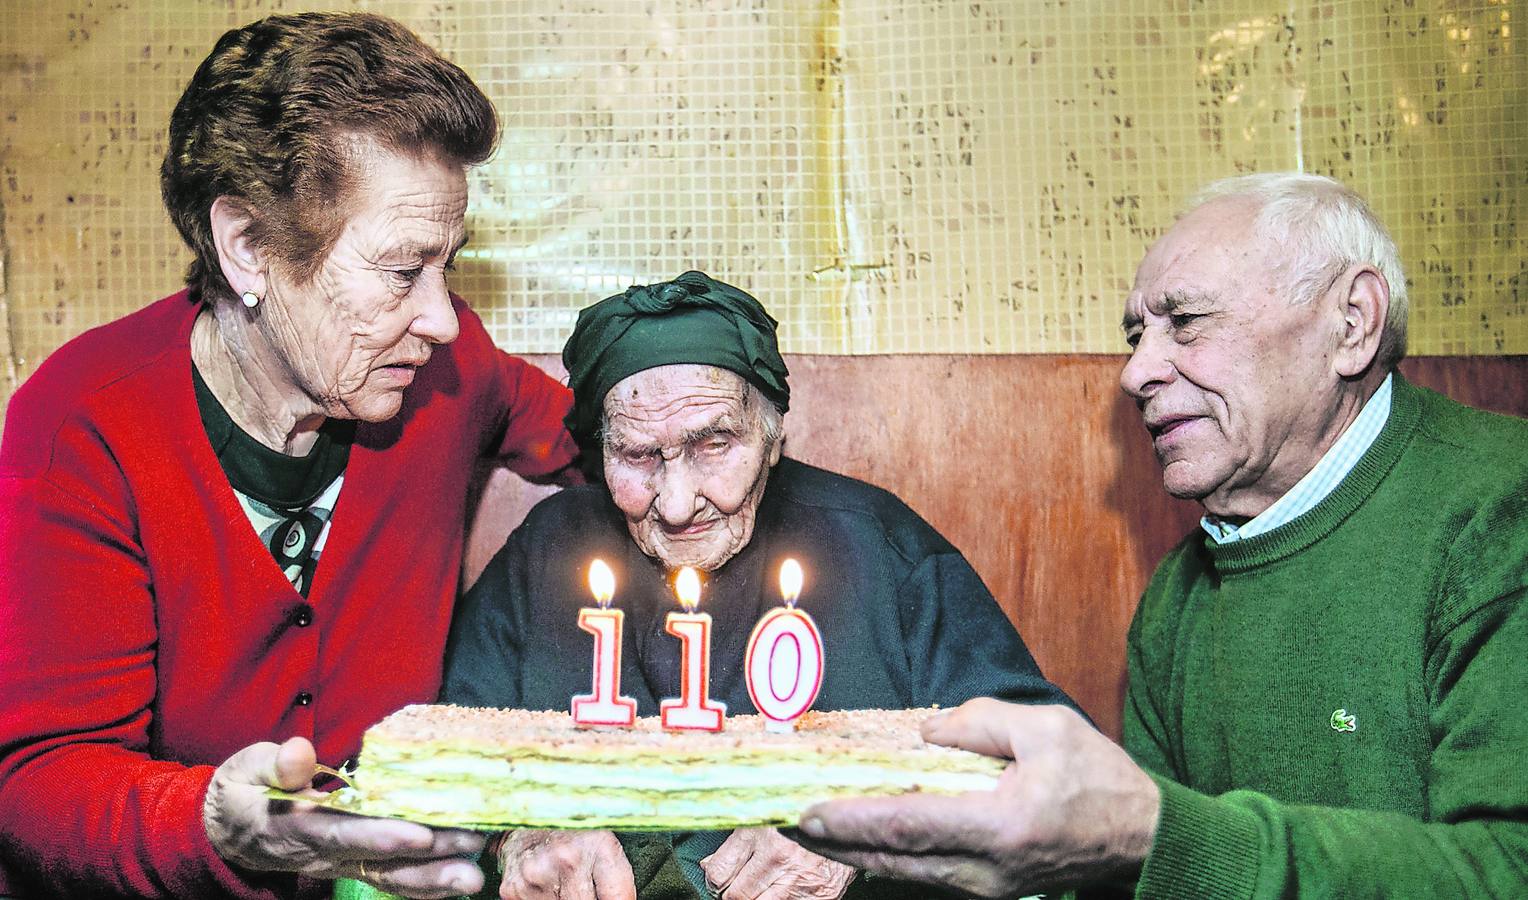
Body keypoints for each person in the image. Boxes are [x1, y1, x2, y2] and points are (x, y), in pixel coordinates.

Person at [791, 173, 1528, 898]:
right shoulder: (1178, 594)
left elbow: (1510, 868)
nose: (1136, 371)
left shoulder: (1502, 511)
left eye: (1188, 321)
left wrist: (1153, 836)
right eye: (1137, 335)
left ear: (1352, 323)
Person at [0, 13, 582, 900]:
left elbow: (603, 443)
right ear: (246, 247)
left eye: (447, 266)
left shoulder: (452, 372)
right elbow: (36, 787)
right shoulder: (88, 424)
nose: (440, 316)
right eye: (401, 270)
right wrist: (218, 827)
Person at [441, 271, 1075, 900]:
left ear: (773, 437)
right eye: (636, 454)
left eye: (715, 442)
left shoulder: (881, 547)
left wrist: (864, 830)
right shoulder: (547, 550)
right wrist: (516, 833)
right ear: (600, 451)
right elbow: (443, 764)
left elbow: (1049, 775)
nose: (679, 503)